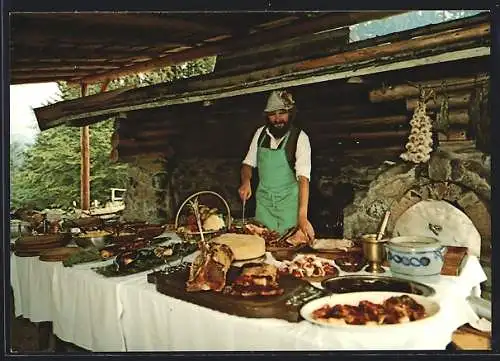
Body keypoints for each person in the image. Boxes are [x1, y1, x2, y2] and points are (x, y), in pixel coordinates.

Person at [238, 89, 315, 241]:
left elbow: (303, 179)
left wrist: (302, 217)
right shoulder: (260, 134)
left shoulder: (300, 138)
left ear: (290, 114)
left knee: (287, 251)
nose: (278, 119)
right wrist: (246, 182)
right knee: (262, 247)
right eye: (273, 114)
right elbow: (247, 164)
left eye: (282, 113)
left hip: (289, 207)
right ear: (267, 116)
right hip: (264, 207)